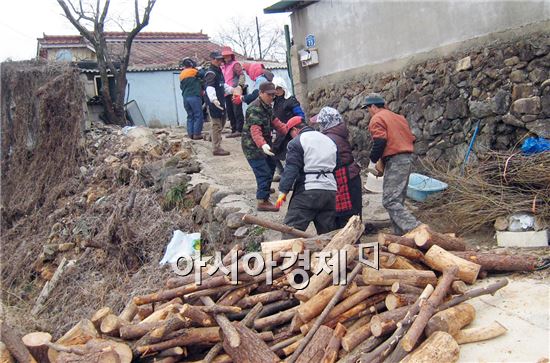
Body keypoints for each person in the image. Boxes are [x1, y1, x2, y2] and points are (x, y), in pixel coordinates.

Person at [362, 93, 421, 235]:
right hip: (406, 157)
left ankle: (417, 228)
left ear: (374, 106)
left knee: (389, 201)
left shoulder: (377, 118)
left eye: (368, 108)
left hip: (395, 159)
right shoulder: (399, 118)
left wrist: (374, 160)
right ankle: (401, 236)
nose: (368, 111)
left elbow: (380, 141)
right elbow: (411, 138)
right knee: (397, 200)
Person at [276, 117, 338, 235]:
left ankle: (288, 254)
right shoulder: (329, 140)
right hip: (330, 191)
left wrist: (283, 191)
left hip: (308, 192)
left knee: (291, 232)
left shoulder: (297, 142)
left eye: (291, 134)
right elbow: (336, 165)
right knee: (328, 234)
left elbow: (291, 169)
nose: (291, 137)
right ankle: (332, 253)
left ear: (294, 130)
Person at [242, 82, 289, 212]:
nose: (271, 97)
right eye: (269, 95)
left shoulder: (267, 106)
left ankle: (265, 188)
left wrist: (288, 130)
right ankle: (262, 200)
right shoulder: (254, 109)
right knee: (263, 172)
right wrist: (262, 145)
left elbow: (276, 122)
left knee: (271, 166)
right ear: (261, 93)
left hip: (266, 144)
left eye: (273, 95)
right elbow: (255, 131)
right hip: (252, 147)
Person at [313, 107, 363, 228]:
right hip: (350, 177)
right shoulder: (337, 133)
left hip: (345, 179)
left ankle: (350, 244)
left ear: (326, 123)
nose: (319, 126)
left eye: (320, 123)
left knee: (347, 218)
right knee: (352, 214)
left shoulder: (329, 138)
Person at [271, 76, 305, 180]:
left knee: (289, 157)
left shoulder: (291, 101)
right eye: (275, 89)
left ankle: (290, 178)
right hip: (279, 132)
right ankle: (282, 174)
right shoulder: (275, 101)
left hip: (290, 133)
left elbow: (300, 116)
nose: (276, 91)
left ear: (283, 88)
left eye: (278, 89)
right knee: (273, 153)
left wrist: (295, 126)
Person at [204, 51, 235, 156]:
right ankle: (216, 148)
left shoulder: (218, 71)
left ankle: (211, 137)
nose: (219, 61)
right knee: (216, 125)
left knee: (222, 122)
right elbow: (210, 87)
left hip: (221, 101)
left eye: (220, 59)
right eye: (217, 60)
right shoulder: (211, 73)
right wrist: (213, 99)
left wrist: (232, 90)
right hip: (214, 103)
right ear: (212, 60)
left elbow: (223, 85)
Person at [220, 46, 245, 138]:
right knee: (230, 112)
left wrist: (240, 86)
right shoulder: (223, 66)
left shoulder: (235, 64)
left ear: (231, 55)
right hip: (226, 92)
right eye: (225, 56)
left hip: (235, 91)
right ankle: (234, 129)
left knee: (237, 111)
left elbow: (242, 76)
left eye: (228, 55)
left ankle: (239, 129)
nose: (226, 57)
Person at [179, 58, 204, 140]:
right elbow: (203, 74)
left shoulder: (182, 74)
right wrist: (200, 68)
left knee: (190, 116)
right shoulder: (192, 71)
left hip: (185, 98)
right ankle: (197, 134)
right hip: (194, 96)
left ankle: (190, 134)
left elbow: (181, 87)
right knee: (198, 115)